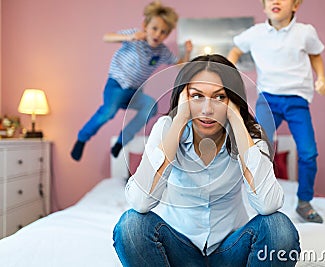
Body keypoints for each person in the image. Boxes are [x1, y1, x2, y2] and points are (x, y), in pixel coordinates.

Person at [113, 54, 300, 266]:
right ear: (183, 97)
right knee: (131, 225)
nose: (207, 109)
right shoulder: (166, 128)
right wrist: (180, 119)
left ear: (233, 98)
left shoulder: (250, 135)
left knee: (279, 227)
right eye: (197, 96)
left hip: (231, 251)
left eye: (220, 97)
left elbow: (268, 205)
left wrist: (238, 121)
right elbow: (140, 202)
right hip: (179, 251)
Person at [228, 0, 325, 223]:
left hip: (297, 101)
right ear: (263, 7)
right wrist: (229, 70)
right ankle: (255, 195)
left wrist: (321, 78)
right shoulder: (255, 33)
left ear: (295, 5)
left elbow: (315, 55)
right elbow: (235, 49)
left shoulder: (305, 33)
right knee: (256, 147)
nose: (275, 1)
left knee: (309, 152)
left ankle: (304, 202)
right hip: (268, 100)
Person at [70, 1, 192, 161]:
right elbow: (107, 37)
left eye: (163, 32)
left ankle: (121, 142)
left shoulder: (162, 51)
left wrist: (188, 52)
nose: (157, 35)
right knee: (108, 112)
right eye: (154, 29)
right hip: (116, 87)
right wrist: (130, 36)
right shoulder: (135, 36)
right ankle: (81, 139)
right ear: (145, 26)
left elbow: (180, 65)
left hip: (134, 92)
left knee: (151, 107)